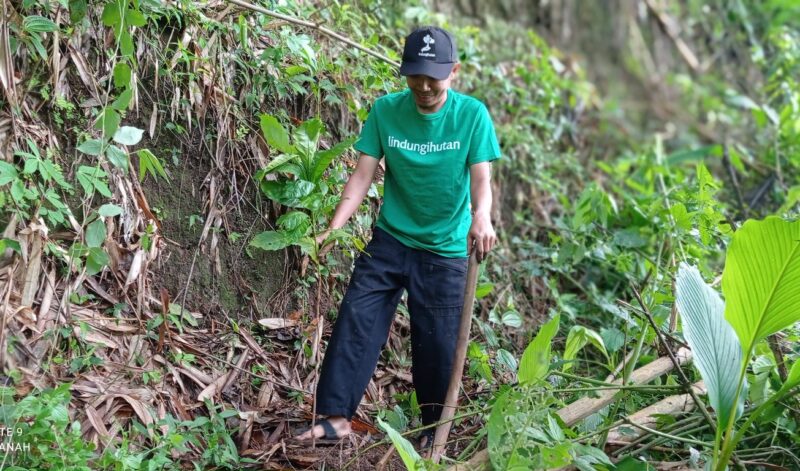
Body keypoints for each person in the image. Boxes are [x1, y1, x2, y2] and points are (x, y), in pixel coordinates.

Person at [296, 26, 501, 449]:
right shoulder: (386, 111)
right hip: (391, 239)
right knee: (357, 317)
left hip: (445, 249)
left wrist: (482, 216)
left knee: (437, 344)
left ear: (454, 71)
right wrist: (334, 228)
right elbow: (361, 175)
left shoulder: (471, 115)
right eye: (415, 76)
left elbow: (482, 178)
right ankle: (335, 418)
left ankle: (432, 431)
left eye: (434, 78)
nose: (424, 87)